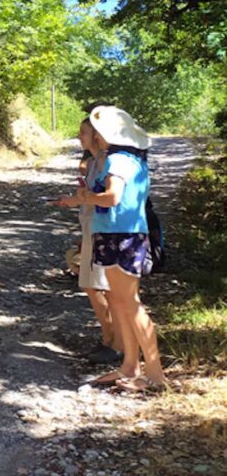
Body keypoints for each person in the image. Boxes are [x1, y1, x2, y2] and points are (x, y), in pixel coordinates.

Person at [76, 106, 166, 393]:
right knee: (118, 302)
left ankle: (155, 375)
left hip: (121, 237)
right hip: (119, 234)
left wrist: (87, 196)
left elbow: (112, 197)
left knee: (130, 304)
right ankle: (130, 366)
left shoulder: (116, 161)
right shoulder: (131, 160)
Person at [54, 118, 121, 365]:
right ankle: (109, 338)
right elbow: (90, 196)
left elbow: (108, 198)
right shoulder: (92, 163)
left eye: (83, 132)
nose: (79, 136)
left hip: (104, 230)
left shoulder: (107, 161)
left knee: (102, 287)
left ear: (97, 134)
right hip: (91, 228)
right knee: (91, 284)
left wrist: (80, 199)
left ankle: (115, 343)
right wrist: (75, 199)